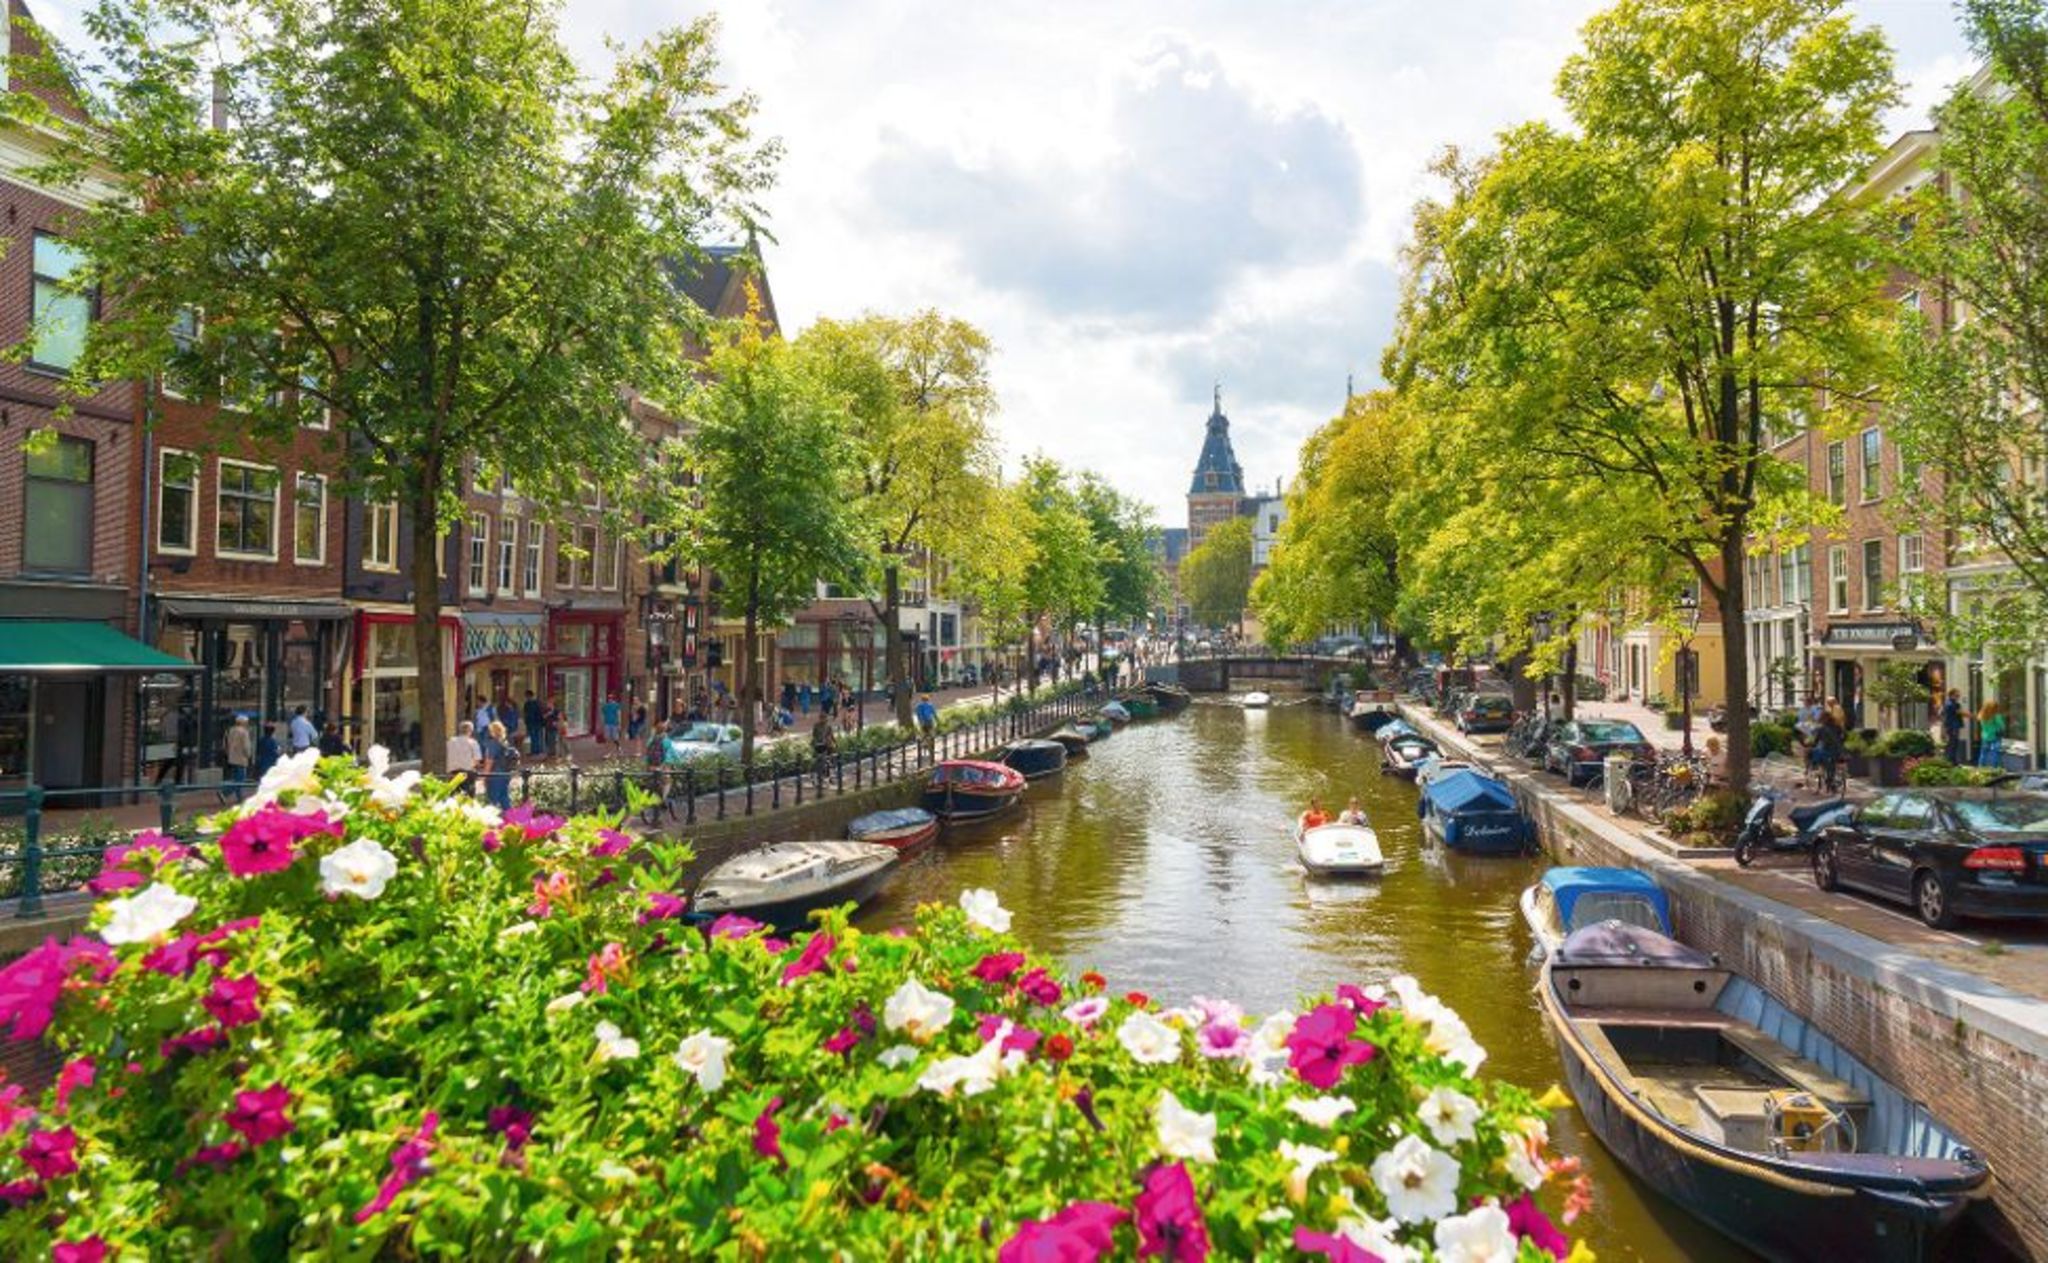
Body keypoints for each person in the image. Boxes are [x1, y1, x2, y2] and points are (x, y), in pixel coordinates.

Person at [481, 719, 516, 810]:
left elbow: (490, 761)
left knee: (492, 800)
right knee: (504, 798)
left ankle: (491, 822)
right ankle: (512, 819)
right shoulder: (505, 743)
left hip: (495, 775)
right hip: (505, 774)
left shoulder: (492, 744)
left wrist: (484, 776)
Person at [220, 714, 253, 803]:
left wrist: (229, 754)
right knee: (240, 780)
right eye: (246, 722)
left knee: (236, 779)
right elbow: (246, 747)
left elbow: (224, 745)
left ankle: (239, 798)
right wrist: (249, 755)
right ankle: (224, 793)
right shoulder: (244, 732)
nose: (247, 724)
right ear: (243, 722)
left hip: (231, 758)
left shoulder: (230, 730)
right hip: (241, 759)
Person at [446, 721, 482, 796]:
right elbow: (477, 759)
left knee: (453, 796)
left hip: (453, 773)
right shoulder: (473, 743)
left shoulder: (450, 741)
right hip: (467, 773)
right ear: (470, 731)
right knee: (468, 797)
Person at [1978, 700, 2007, 769]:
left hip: (1985, 737)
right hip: (1995, 736)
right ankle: (1994, 768)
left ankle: (1981, 768)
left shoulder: (1982, 715)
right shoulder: (1996, 716)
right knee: (1995, 753)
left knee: (1983, 753)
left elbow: (1982, 726)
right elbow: (2002, 726)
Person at [1941, 689, 1965, 764]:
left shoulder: (1950, 703)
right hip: (1953, 726)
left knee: (1953, 743)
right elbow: (1960, 712)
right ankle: (1950, 762)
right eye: (1957, 695)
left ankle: (1951, 761)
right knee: (1953, 744)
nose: (1958, 697)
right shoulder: (1951, 704)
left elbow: (1943, 715)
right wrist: (1974, 716)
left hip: (1952, 726)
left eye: (1959, 695)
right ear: (1951, 695)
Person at [914, 692, 939, 760]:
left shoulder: (918, 706)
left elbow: (918, 715)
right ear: (928, 699)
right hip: (929, 722)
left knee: (923, 734)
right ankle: (931, 748)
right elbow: (934, 714)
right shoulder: (930, 705)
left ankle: (924, 744)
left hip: (923, 723)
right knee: (931, 734)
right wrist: (937, 721)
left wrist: (920, 722)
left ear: (922, 699)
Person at [522, 691, 544, 756]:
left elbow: (526, 714)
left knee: (533, 737)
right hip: (537, 723)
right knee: (536, 737)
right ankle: (537, 751)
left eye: (526, 696)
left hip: (532, 723)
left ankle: (535, 751)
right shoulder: (537, 703)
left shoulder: (528, 704)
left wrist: (526, 721)